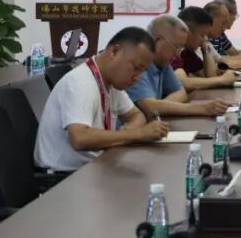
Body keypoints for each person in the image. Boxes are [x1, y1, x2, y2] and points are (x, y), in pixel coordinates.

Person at [34, 27, 170, 172]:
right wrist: (137, 134)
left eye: (142, 71)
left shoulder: (111, 81)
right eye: (136, 68)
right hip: (64, 176)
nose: (137, 77)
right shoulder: (81, 82)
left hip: (93, 166)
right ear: (115, 52)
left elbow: (136, 115)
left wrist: (130, 129)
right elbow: (79, 138)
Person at [126, 15, 230, 118]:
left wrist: (161, 106)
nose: (178, 54)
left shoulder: (163, 63)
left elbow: (181, 93)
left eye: (181, 48)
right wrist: (203, 108)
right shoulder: (137, 64)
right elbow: (150, 107)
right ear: (158, 41)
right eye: (176, 47)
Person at [173, 6, 237, 90]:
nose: (204, 39)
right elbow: (182, 82)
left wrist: (205, 47)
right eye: (202, 35)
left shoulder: (188, 53)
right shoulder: (174, 51)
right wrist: (222, 80)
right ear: (187, 31)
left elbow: (209, 76)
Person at [204, 0, 241, 70]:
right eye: (223, 23)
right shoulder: (202, 41)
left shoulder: (206, 41)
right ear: (210, 20)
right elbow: (211, 69)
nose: (226, 27)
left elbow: (221, 61)